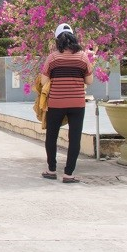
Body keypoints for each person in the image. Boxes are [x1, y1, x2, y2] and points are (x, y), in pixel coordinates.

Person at [39, 23, 94, 184]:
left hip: (56, 103)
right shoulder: (82, 57)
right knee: (74, 138)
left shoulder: (53, 58)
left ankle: (51, 170)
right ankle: (68, 174)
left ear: (58, 40)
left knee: (52, 136)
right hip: (77, 104)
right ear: (73, 38)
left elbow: (44, 81)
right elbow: (89, 81)